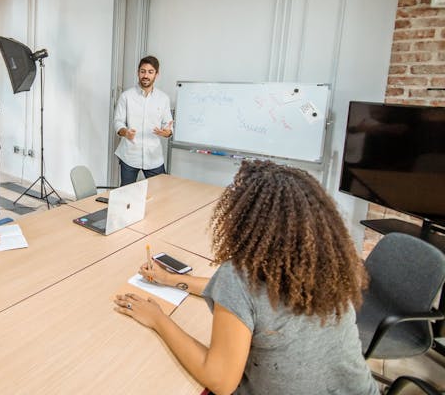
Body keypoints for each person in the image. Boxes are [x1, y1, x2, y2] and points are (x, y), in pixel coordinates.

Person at [114, 160, 379, 395]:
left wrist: (158, 318)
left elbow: (220, 381)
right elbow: (249, 301)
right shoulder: (325, 265)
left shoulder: (239, 275)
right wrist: (172, 281)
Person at [113, 56, 173, 186]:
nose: (146, 75)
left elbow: (168, 125)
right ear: (138, 72)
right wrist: (125, 132)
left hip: (154, 157)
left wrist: (166, 132)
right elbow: (118, 121)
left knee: (160, 195)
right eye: (143, 71)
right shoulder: (126, 96)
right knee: (126, 196)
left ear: (157, 74)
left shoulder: (163, 99)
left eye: (150, 72)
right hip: (130, 155)